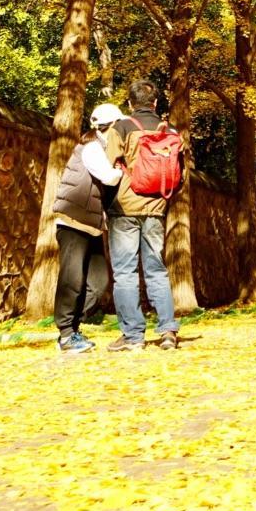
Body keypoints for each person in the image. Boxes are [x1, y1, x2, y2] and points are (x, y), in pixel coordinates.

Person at [105, 80, 183, 351]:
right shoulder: (170, 131)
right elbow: (179, 173)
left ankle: (133, 337)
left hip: (125, 208)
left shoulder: (122, 127)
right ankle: (168, 332)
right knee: (156, 270)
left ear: (129, 104)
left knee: (125, 272)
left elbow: (109, 168)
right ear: (156, 103)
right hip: (157, 208)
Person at [52, 104, 122, 353]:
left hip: (91, 225)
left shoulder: (104, 148)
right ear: (109, 126)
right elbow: (108, 177)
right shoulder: (92, 148)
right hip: (72, 222)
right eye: (118, 126)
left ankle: (74, 328)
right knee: (72, 279)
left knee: (99, 282)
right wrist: (123, 171)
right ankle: (66, 334)